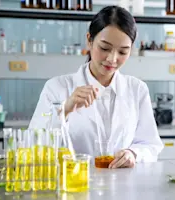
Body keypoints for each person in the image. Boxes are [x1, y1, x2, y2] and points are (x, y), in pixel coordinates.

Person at [29, 6, 164, 168]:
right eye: (105, 48)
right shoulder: (57, 87)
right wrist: (64, 109)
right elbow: (33, 144)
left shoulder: (137, 89)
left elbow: (150, 145)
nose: (112, 59)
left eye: (122, 52)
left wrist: (133, 153)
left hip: (122, 187)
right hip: (73, 184)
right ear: (89, 40)